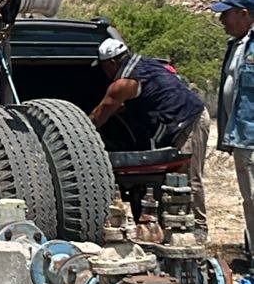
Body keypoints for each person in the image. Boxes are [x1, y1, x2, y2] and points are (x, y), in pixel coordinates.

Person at [89, 35, 210, 236]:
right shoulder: (145, 63)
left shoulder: (123, 83)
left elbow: (99, 116)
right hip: (179, 121)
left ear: (112, 63)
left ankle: (197, 228)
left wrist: (79, 132)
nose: (104, 72)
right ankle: (171, 224)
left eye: (103, 67)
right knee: (177, 178)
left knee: (187, 179)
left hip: (189, 121)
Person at [210, 0, 254, 263]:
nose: (222, 20)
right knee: (249, 199)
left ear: (244, 13)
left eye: (227, 14)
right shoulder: (237, 46)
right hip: (242, 137)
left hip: (252, 137)